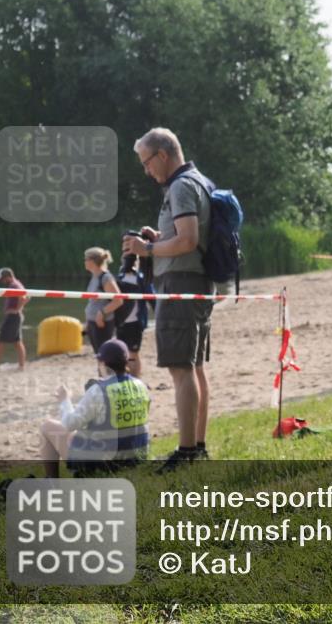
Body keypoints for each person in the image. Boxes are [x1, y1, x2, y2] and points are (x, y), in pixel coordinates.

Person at [122, 127, 215, 469]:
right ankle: (197, 445)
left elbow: (188, 240)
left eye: (146, 162)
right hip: (197, 281)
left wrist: (146, 249)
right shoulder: (199, 181)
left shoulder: (180, 186)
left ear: (162, 155)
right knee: (195, 366)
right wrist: (159, 238)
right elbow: (188, 236)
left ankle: (187, 451)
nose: (146, 171)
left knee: (181, 368)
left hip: (181, 282)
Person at [38, 339, 150, 478]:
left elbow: (69, 424)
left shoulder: (99, 391)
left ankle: (51, 481)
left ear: (102, 363)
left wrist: (64, 400)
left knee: (47, 426)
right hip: (135, 459)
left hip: (105, 464)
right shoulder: (141, 385)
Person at [115, 250, 155, 378]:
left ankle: (135, 379)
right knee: (128, 353)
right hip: (124, 322)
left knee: (130, 353)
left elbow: (152, 298)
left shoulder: (139, 278)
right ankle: (130, 379)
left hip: (132, 321)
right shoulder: (121, 277)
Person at [83, 247, 122, 360]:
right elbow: (92, 302)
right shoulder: (94, 276)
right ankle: (102, 372)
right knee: (99, 356)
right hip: (92, 322)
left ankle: (107, 372)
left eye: (86, 259)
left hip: (102, 323)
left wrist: (101, 313)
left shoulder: (105, 277)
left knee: (104, 356)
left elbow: (118, 300)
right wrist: (88, 321)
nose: (84, 261)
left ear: (92, 261)